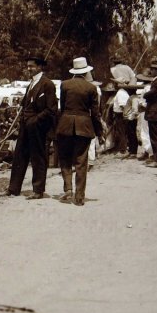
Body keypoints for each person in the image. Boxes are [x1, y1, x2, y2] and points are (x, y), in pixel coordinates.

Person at [0, 55, 57, 199]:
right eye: (27, 66)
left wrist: (35, 120)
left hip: (38, 127)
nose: (28, 69)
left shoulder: (47, 84)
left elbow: (51, 110)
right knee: (19, 156)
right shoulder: (30, 84)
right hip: (25, 126)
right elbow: (25, 104)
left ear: (39, 67)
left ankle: (38, 191)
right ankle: (13, 189)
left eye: (31, 66)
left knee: (38, 158)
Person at [55, 57, 102, 206]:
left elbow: (62, 107)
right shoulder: (91, 88)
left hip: (65, 124)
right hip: (84, 126)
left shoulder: (64, 85)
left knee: (65, 158)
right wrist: (99, 131)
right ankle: (79, 197)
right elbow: (95, 113)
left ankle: (68, 188)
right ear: (86, 71)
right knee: (81, 161)